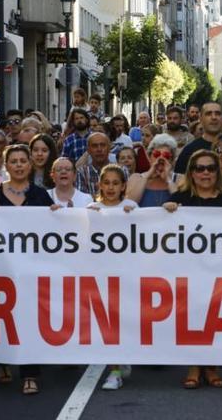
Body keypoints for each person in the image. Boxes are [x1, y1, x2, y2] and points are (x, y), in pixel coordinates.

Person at [163, 150, 222, 390]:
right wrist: (168, 210)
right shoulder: (181, 198)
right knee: (191, 317)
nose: (205, 173)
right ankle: (193, 366)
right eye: (200, 168)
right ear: (191, 172)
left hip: (221, 269)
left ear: (218, 172)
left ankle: (212, 367)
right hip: (189, 269)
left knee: (216, 318)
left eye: (210, 168)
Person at [0, 144, 56, 395]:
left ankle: (29, 373)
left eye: (23, 160)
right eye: (13, 161)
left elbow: (52, 234)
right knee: (1, 317)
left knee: (28, 320)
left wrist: (58, 216)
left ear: (30, 164)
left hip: (30, 271)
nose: (19, 165)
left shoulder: (41, 196)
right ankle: (2, 362)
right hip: (0, 269)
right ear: (6, 165)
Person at [87, 164, 137, 390]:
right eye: (106, 183)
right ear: (100, 185)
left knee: (123, 321)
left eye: (115, 183)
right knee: (107, 323)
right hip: (100, 276)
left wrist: (133, 216)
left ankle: (120, 363)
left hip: (126, 276)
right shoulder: (92, 208)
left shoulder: (131, 207)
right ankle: (116, 366)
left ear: (123, 186)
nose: (110, 187)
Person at [126, 134, 181, 207]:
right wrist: (147, 176)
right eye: (156, 154)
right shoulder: (135, 178)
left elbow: (182, 203)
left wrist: (168, 179)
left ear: (172, 160)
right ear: (149, 157)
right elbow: (130, 203)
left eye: (166, 156)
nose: (161, 159)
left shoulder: (179, 179)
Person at [175, 102, 222, 173]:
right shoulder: (189, 151)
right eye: (208, 114)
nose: (214, 117)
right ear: (201, 119)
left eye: (218, 114)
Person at [75, 132, 113, 197]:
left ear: (109, 148)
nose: (99, 149)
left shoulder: (121, 170)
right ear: (88, 150)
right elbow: (82, 199)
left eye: (103, 145)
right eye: (94, 146)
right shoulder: (81, 172)